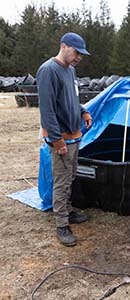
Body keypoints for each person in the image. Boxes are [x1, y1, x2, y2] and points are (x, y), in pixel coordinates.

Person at [37, 32, 92, 247]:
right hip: (60, 138)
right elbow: (47, 109)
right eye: (77, 52)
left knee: (70, 176)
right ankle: (61, 224)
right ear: (64, 46)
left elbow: (72, 98)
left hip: (74, 135)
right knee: (61, 181)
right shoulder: (48, 71)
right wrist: (56, 140)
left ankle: (67, 211)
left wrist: (83, 111)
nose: (79, 57)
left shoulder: (71, 71)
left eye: (81, 54)